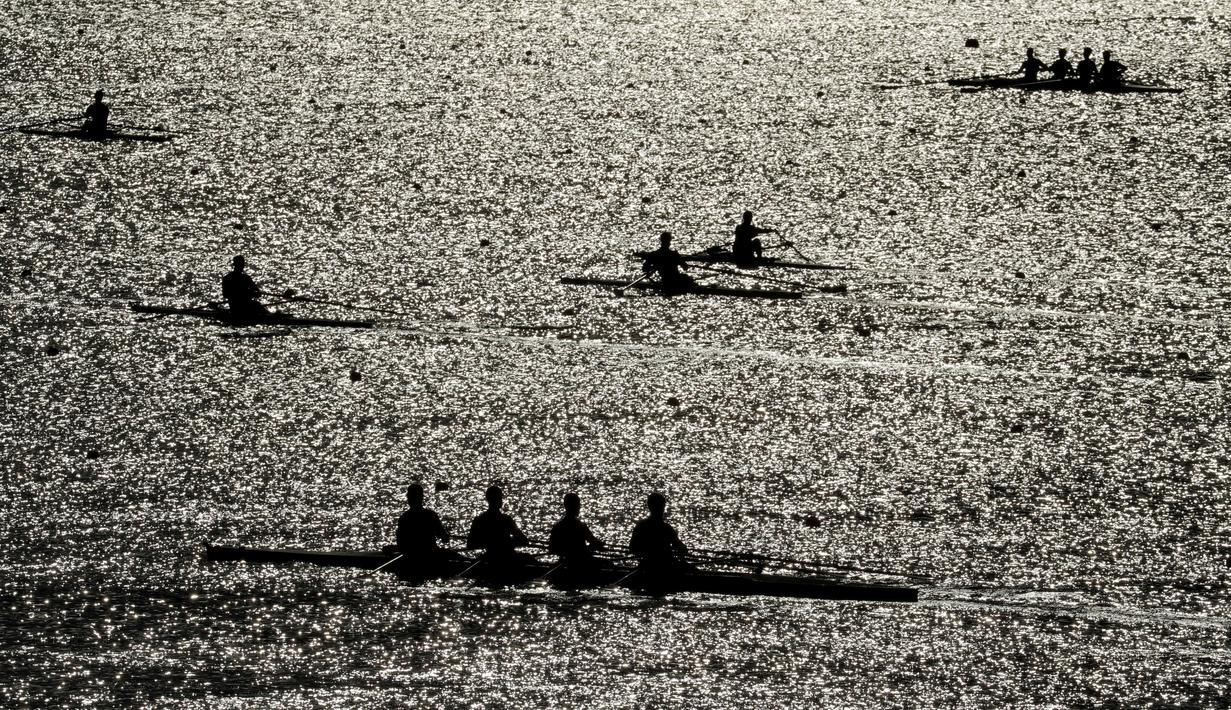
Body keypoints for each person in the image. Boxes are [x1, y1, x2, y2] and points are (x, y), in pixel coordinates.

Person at [466, 485, 530, 560]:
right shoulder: (506, 519)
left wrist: (487, 543)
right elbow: (524, 541)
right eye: (500, 498)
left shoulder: (479, 519)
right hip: (507, 557)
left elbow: (470, 544)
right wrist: (507, 543)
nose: (501, 500)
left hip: (489, 556)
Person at [628, 492, 688, 567]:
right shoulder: (666, 528)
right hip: (666, 565)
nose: (662, 510)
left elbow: (632, 549)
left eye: (662, 507)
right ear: (652, 507)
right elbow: (682, 549)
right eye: (661, 507)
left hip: (646, 565)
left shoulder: (641, 526)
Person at [396, 483, 452, 561]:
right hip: (430, 555)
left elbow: (401, 544)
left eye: (409, 496)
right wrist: (445, 536)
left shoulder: (404, 517)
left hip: (411, 557)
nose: (408, 498)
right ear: (421, 498)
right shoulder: (431, 515)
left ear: (409, 498)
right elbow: (444, 538)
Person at [548, 493, 605, 564]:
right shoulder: (581, 526)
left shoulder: (557, 526)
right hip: (581, 562)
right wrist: (598, 545)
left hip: (565, 562)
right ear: (573, 506)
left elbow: (552, 549)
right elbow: (594, 542)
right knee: (608, 564)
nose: (579, 507)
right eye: (578, 504)